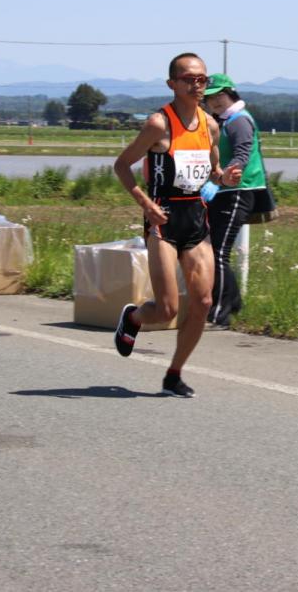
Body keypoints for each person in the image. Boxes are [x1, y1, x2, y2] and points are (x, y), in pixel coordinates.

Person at [111, 53, 227, 398]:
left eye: (202, 79)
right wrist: (146, 205)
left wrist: (224, 176)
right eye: (189, 79)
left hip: (195, 218)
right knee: (166, 310)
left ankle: (173, 374)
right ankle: (134, 318)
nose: (197, 85)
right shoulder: (158, 124)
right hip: (162, 220)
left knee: (203, 302)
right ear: (172, 84)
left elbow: (213, 170)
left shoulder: (211, 125)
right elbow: (122, 166)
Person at [202, 73, 268, 327]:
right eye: (209, 98)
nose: (215, 101)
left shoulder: (239, 120)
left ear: (231, 93)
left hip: (239, 191)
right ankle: (234, 301)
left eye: (219, 95)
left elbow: (242, 151)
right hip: (223, 191)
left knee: (218, 252)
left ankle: (221, 311)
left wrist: (232, 170)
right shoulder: (222, 121)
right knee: (212, 250)